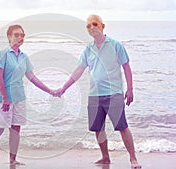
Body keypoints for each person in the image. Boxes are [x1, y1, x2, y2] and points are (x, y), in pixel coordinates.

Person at [54, 15, 141, 169]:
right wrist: (63, 88)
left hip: (114, 93)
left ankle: (133, 159)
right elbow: (78, 71)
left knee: (122, 126)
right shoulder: (88, 49)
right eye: (88, 26)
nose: (91, 27)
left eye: (94, 24)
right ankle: (105, 157)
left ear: (102, 26)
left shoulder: (115, 45)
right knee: (98, 128)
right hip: (94, 95)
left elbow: (126, 67)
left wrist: (130, 89)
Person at [0, 24, 54, 166]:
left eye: (22, 35)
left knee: (15, 130)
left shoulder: (24, 56)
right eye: (16, 35)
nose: (20, 37)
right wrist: (4, 98)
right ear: (9, 37)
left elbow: (32, 77)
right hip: (3, 99)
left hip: (19, 98)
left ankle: (12, 160)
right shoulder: (2, 54)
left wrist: (50, 91)